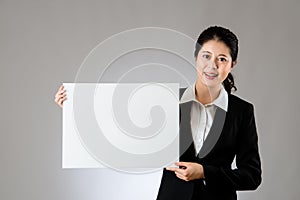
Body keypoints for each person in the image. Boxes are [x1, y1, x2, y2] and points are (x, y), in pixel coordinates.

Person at [54, 26, 262, 200]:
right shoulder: (166, 99)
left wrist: (205, 172)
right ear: (196, 57)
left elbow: (252, 176)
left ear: (232, 64)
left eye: (222, 59)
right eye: (206, 56)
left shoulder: (242, 112)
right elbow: (122, 136)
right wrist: (75, 110)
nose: (212, 65)